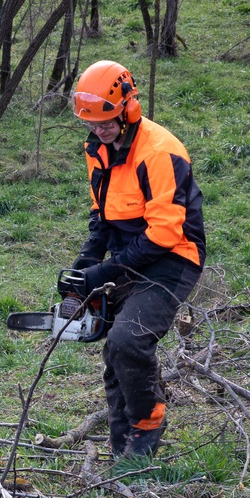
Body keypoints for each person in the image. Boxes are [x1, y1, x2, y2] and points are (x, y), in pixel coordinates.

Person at [70, 60, 205, 458]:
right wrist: (87, 261)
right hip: (129, 252)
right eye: (92, 123)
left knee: (129, 339)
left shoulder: (160, 151)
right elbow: (103, 213)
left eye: (107, 120)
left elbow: (164, 232)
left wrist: (108, 271)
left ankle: (148, 422)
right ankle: (123, 448)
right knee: (114, 348)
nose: (100, 129)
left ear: (128, 107)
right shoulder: (98, 149)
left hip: (173, 255)